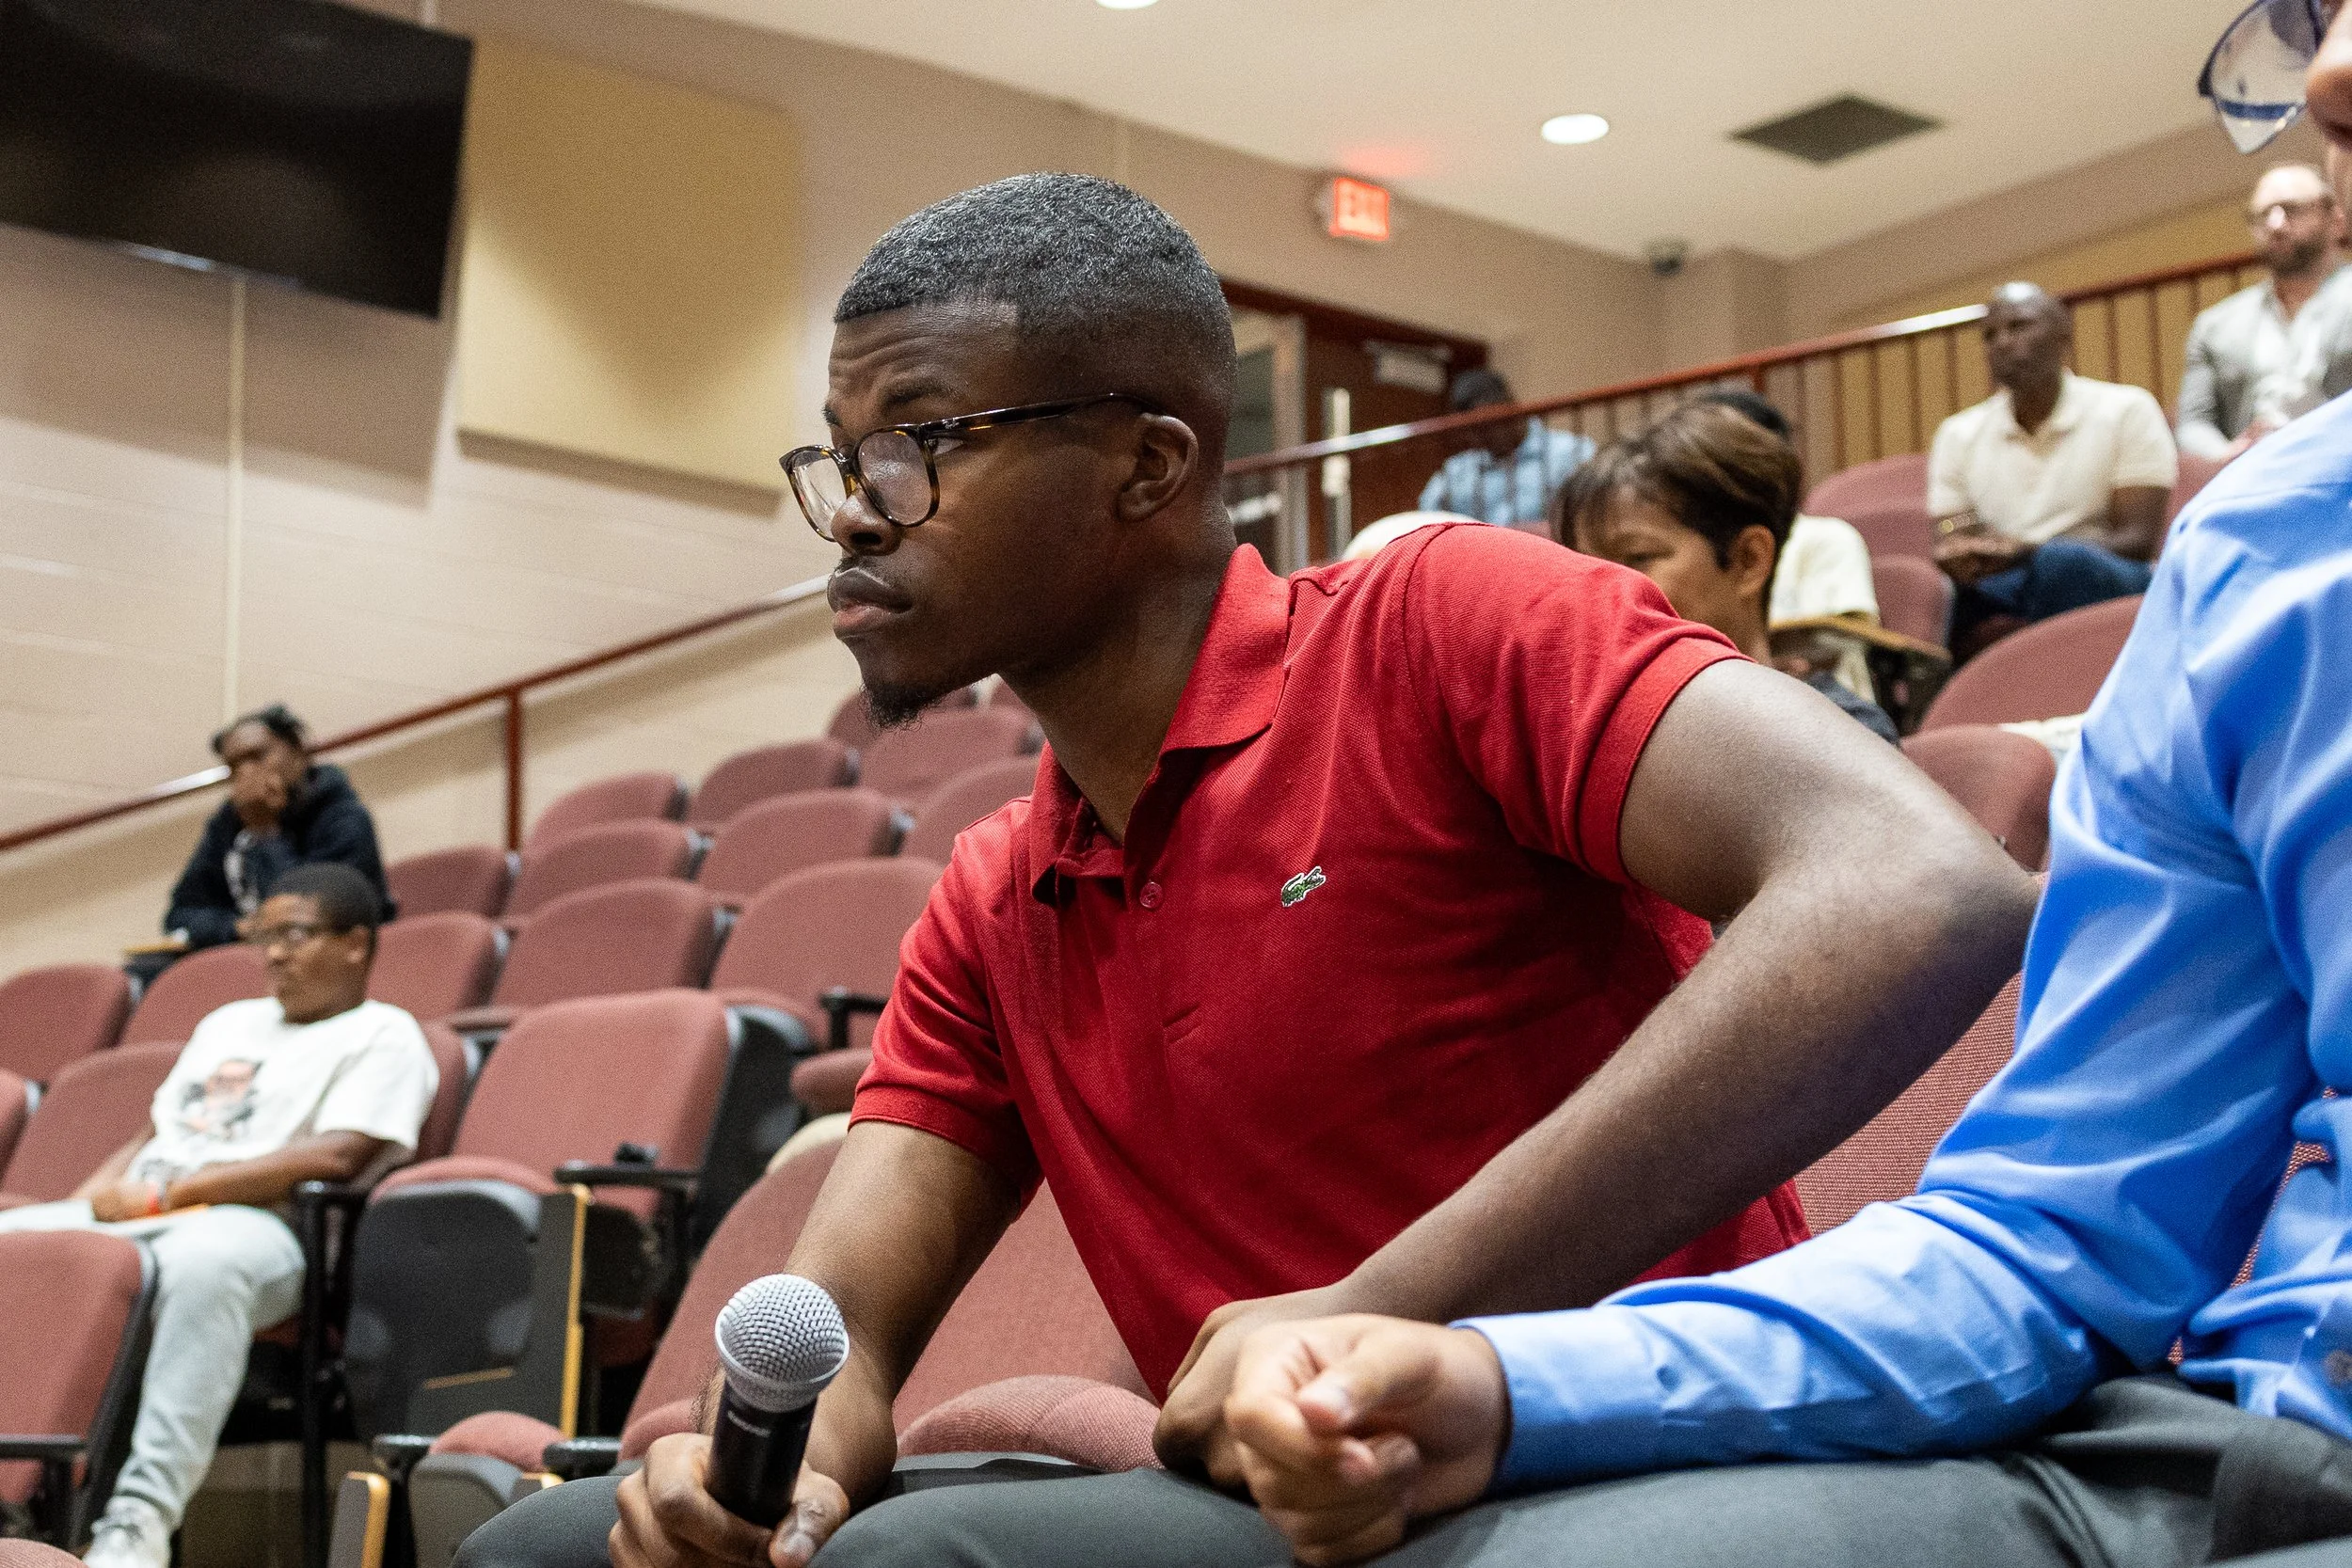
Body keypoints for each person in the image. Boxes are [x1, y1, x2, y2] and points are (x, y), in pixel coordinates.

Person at [458, 173, 2031, 1568]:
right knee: (550, 1541)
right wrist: (765, 1475)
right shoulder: (1001, 893)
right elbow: (851, 1335)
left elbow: (1916, 890)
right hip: (1294, 1500)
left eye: (921, 441)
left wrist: (1383, 1303)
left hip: (1619, 1446)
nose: (857, 512)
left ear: (1150, 464)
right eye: (845, 454)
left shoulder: (1436, 623)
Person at [1186, 12, 2352, 1566]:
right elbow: (2055, 1237)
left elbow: (1925, 902)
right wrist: (1508, 1379)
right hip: (2244, 1443)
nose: (2331, 74)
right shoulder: (2270, 556)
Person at [1, 863, 437, 1568]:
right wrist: (86, 1205)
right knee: (14, 1240)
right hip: (149, 1210)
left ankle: (137, 1523)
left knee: (200, 1264)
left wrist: (167, 1197)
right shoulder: (228, 1022)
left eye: (294, 933)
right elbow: (154, 1133)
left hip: (264, 1228)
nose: (274, 952)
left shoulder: (386, 1034)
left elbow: (338, 1154)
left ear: (356, 942)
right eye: (265, 934)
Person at [1562, 402, 1899, 742]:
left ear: (1748, 560)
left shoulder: (1845, 735)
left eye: (1638, 557)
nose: (1601, 589)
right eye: (1587, 565)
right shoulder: (1587, 735)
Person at [1928, 282, 2177, 646]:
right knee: (1952, 597)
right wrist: (1960, 554)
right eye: (1990, 334)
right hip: (2009, 578)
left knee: (2062, 565)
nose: (2001, 342)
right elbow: (1953, 531)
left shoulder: (2127, 409)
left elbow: (2137, 540)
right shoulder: (1957, 433)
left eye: (2019, 327)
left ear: (2063, 336)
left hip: (2106, 573)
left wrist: (2030, 551)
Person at [1689, 387, 1883, 703]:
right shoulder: (1693, 550)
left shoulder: (1829, 538)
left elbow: (1838, 640)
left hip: (1828, 705)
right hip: (1729, 699)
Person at [158, 705, 393, 961]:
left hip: (324, 959)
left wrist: (266, 831)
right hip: (250, 954)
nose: (246, 773)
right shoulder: (228, 821)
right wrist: (236, 928)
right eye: (234, 766)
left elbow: (313, 917)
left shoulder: (343, 817)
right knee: (144, 971)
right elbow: (180, 914)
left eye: (257, 756)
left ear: (298, 752)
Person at [2178, 163, 2352, 461]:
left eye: (2291, 209)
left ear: (2335, 219)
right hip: (2257, 479)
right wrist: (2228, 457)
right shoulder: (2215, 325)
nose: (2275, 224)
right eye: (2262, 215)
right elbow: (2192, 424)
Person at [1414, 369, 1593, 530]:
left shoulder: (1572, 453)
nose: (1481, 438)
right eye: (1473, 430)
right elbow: (1425, 520)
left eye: (1488, 425)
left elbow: (1593, 522)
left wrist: (1549, 532)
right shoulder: (1457, 471)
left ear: (1511, 405)